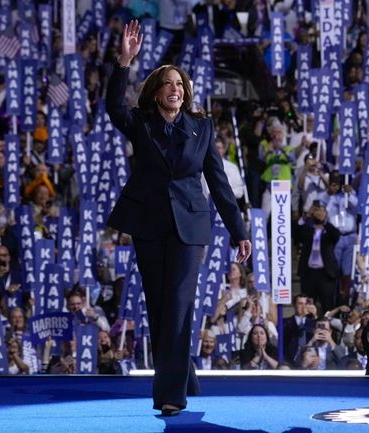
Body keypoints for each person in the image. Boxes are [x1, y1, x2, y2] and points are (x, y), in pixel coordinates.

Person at [106, 20, 251, 417]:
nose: (176, 89)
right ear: (156, 92)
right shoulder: (141, 123)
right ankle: (183, 372)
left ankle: (170, 395)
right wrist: (124, 62)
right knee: (160, 305)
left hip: (190, 227)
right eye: (169, 84)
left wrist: (239, 231)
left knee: (180, 303)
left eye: (181, 85)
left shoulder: (201, 127)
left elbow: (219, 183)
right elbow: (114, 107)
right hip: (149, 226)